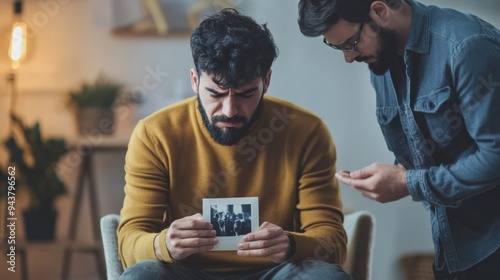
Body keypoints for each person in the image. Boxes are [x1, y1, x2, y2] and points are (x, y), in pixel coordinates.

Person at [117, 9, 352, 280]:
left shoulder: (307, 132)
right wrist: (164, 245)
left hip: (276, 272)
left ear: (266, 81)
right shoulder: (155, 135)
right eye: (215, 93)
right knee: (140, 275)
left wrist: (290, 244)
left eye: (245, 94)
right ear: (195, 80)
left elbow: (333, 243)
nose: (229, 110)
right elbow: (127, 244)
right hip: (186, 272)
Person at [298, 0, 500, 279]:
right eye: (338, 47)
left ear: (379, 11)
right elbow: (425, 154)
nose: (348, 57)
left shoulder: (467, 46)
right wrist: (394, 175)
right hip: (453, 247)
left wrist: (406, 183)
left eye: (351, 42)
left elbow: (495, 156)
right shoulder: (381, 61)